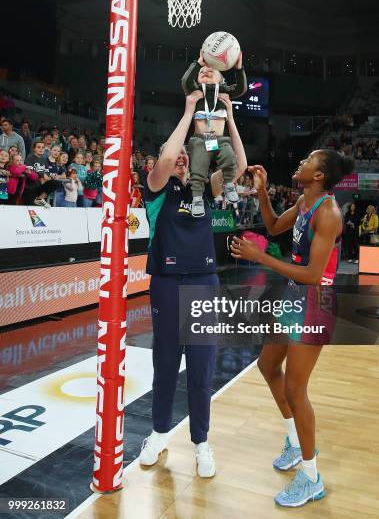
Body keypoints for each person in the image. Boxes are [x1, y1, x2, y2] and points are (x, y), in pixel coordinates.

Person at [230, 149, 354, 508]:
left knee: (297, 391)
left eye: (309, 160)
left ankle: (312, 477)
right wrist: (263, 190)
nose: (302, 161)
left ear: (320, 176)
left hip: (317, 301)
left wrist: (262, 258)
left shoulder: (328, 213)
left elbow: (315, 275)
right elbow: (272, 227)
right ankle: (295, 443)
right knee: (267, 366)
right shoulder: (303, 200)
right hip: (295, 296)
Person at [139, 91, 246, 478]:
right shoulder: (155, 190)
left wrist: (230, 119)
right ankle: (157, 434)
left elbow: (240, 166)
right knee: (165, 365)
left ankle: (201, 442)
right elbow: (166, 158)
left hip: (203, 281)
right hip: (166, 283)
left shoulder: (206, 189)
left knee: (201, 369)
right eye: (178, 155)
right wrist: (187, 112)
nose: (182, 157)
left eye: (188, 154)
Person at [181, 51, 247, 217]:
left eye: (211, 71)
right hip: (199, 139)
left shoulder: (224, 91)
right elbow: (185, 81)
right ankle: (197, 199)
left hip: (219, 139)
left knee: (229, 157)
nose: (205, 70)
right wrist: (198, 63)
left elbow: (241, 87)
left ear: (222, 80)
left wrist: (238, 68)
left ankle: (229, 184)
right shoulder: (196, 92)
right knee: (198, 168)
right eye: (202, 71)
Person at [23, 141, 62, 208]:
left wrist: (50, 176)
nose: (41, 149)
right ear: (34, 149)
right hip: (30, 187)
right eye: (38, 147)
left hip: (40, 186)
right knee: (31, 209)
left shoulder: (44, 159)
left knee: (57, 182)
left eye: (43, 147)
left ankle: (40, 198)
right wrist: (41, 175)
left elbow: (46, 172)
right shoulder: (29, 157)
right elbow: (29, 171)